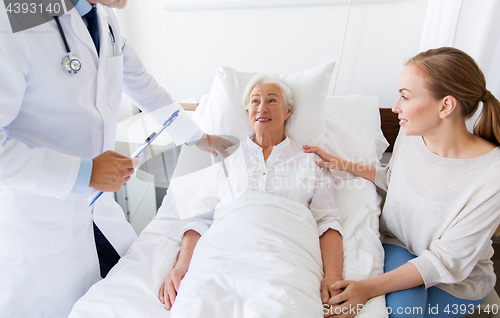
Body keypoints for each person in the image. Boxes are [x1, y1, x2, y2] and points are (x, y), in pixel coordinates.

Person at [0, 1, 231, 317]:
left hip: (96, 214)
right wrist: (84, 173)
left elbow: (143, 85)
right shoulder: (17, 14)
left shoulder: (104, 17)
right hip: (39, 222)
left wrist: (197, 137)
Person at [304, 47, 500, 318]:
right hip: (400, 246)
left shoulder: (493, 176)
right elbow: (397, 180)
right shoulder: (412, 133)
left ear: (446, 106)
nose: (396, 106)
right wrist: (342, 164)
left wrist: (366, 288)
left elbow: (446, 260)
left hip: (454, 282)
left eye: (405, 96)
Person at [157, 75, 344, 316]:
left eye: (271, 100)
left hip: (286, 261)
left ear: (288, 111)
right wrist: (182, 265)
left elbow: (327, 222)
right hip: (220, 257)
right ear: (247, 111)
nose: (262, 108)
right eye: (255, 101)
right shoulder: (225, 156)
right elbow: (200, 218)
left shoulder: (312, 160)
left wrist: (333, 276)